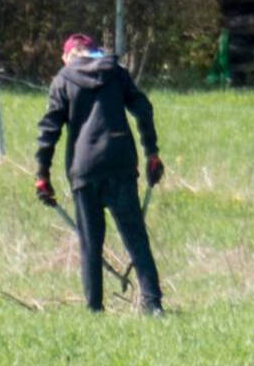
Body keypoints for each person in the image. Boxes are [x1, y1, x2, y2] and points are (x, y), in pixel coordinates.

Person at [35, 33, 165, 313]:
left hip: (84, 168)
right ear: (92, 51)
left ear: (68, 55)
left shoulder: (63, 79)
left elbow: (49, 130)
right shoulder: (115, 71)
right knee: (135, 237)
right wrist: (151, 151)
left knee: (90, 243)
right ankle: (153, 304)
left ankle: (94, 308)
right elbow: (143, 108)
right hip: (120, 162)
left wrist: (41, 173)